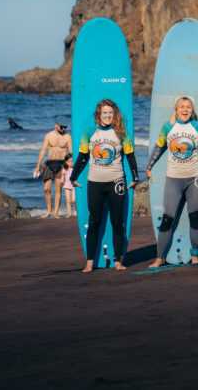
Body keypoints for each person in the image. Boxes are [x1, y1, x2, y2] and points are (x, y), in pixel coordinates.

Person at [145, 96, 198, 268]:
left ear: (192, 111)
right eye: (182, 107)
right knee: (167, 219)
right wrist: (149, 166)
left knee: (195, 217)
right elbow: (159, 147)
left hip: (195, 178)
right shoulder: (167, 127)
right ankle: (159, 258)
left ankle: (195, 256)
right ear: (176, 110)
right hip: (173, 178)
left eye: (188, 107)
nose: (185, 110)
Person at [69, 100, 138, 272]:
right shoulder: (90, 132)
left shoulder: (121, 133)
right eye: (104, 113)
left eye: (110, 113)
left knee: (117, 222)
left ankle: (118, 261)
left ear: (114, 115)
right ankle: (90, 262)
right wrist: (73, 176)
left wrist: (135, 177)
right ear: (98, 114)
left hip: (116, 182)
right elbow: (83, 157)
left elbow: (130, 156)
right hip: (95, 183)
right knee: (94, 222)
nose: (108, 116)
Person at [34, 118, 72, 218]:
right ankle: (49, 211)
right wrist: (37, 166)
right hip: (50, 163)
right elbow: (43, 151)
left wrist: (71, 167)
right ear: (56, 125)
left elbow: (71, 153)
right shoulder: (49, 136)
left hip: (61, 164)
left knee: (58, 189)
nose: (63, 129)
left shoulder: (68, 137)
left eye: (65, 127)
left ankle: (55, 213)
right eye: (61, 127)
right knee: (46, 189)